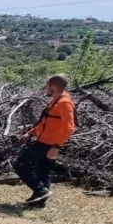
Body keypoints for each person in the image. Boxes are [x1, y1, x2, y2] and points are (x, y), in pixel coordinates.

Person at [14, 74, 76, 207]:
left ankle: (41, 190)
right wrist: (29, 134)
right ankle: (40, 201)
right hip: (45, 141)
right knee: (43, 170)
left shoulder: (64, 103)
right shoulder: (55, 100)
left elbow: (69, 128)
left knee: (19, 164)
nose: (45, 88)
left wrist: (55, 146)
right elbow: (47, 123)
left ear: (53, 86)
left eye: (47, 85)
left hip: (48, 144)